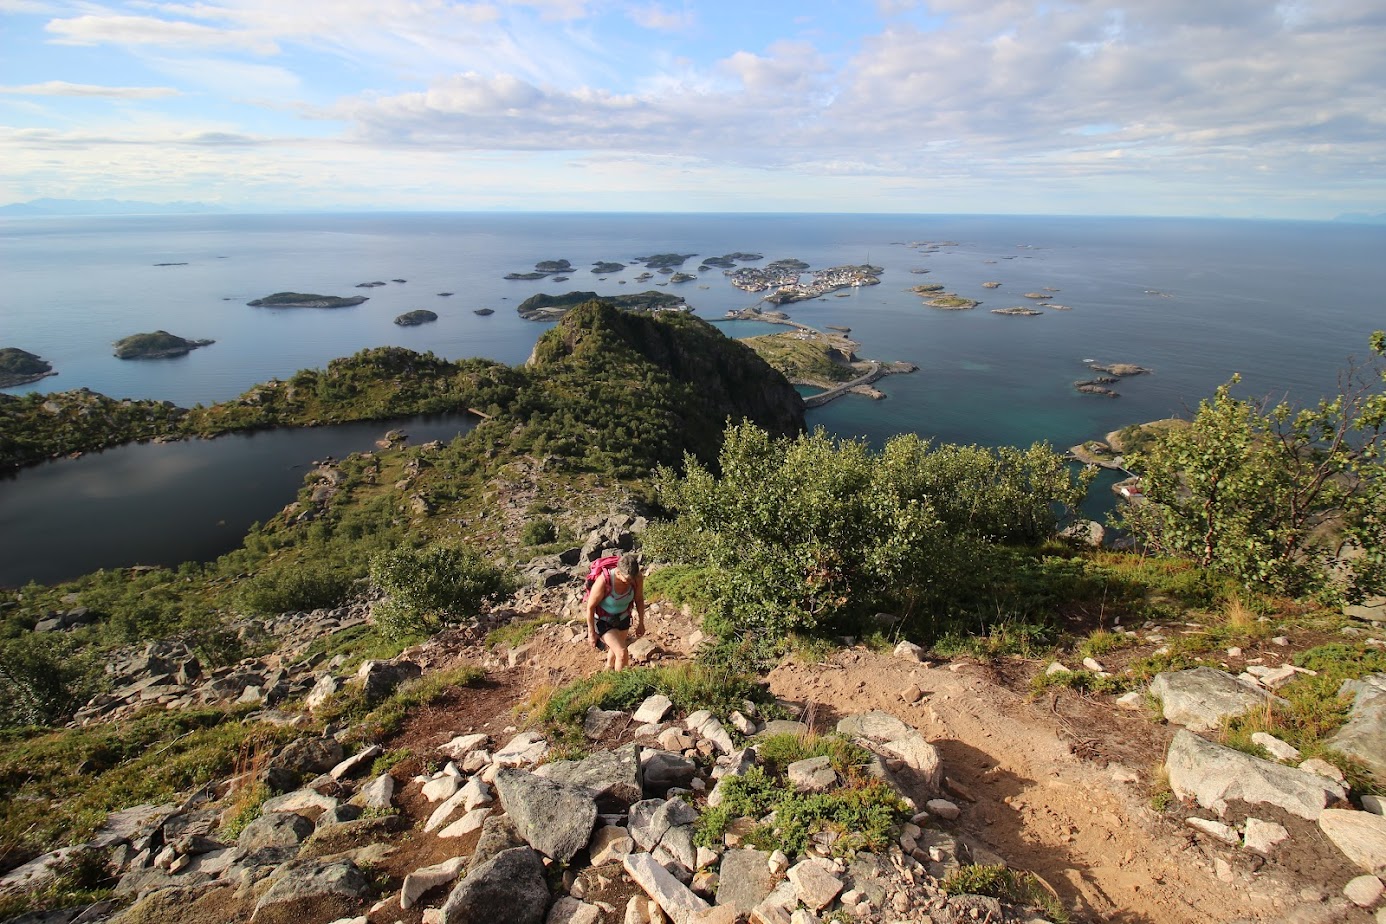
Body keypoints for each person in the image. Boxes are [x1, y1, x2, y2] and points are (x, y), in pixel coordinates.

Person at [585, 551, 646, 671]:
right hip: (603, 620)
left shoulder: (637, 578)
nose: (631, 582)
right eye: (627, 580)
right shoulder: (604, 581)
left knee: (617, 648)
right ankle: (620, 685)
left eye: (633, 579)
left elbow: (639, 600)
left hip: (623, 617)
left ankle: (608, 669)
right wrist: (591, 633)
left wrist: (641, 623)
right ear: (618, 572)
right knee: (622, 652)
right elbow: (590, 606)